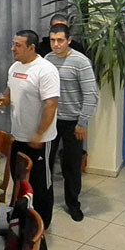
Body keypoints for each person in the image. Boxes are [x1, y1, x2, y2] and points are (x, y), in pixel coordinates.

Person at [0, 29, 59, 229]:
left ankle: (42, 224)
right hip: (18, 136)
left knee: (40, 183)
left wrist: (39, 134)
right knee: (19, 178)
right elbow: (10, 91)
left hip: (41, 140)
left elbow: (51, 104)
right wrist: (4, 99)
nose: (13, 48)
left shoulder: (45, 70)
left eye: (18, 45)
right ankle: (22, 216)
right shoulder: (14, 67)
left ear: (31, 47)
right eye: (13, 44)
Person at [45, 24, 98, 222]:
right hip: (51, 120)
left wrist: (82, 123)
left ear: (68, 40)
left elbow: (91, 95)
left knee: (72, 165)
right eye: (53, 40)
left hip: (73, 122)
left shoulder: (80, 61)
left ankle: (73, 204)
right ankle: (45, 201)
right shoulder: (47, 59)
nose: (56, 44)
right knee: (46, 163)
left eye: (60, 40)